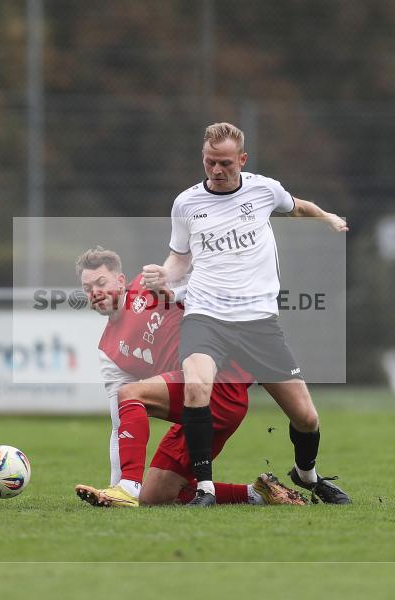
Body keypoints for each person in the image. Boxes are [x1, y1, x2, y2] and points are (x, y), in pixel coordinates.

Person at [142, 122, 351, 507]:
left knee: (306, 418)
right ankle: (204, 489)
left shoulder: (263, 189)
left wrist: (327, 217)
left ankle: (307, 475)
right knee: (196, 388)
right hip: (206, 316)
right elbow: (179, 258)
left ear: (242, 160)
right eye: (209, 163)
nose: (217, 171)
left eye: (225, 163)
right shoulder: (186, 203)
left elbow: (298, 206)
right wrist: (164, 276)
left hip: (258, 324)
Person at [72, 246, 305, 508]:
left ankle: (128, 486)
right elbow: (120, 425)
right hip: (193, 410)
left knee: (131, 393)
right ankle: (258, 493)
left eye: (101, 283)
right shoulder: (109, 352)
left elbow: (198, 270)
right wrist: (111, 492)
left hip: (221, 385)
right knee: (154, 496)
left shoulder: (149, 283)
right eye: (88, 288)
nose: (95, 293)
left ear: (121, 280)